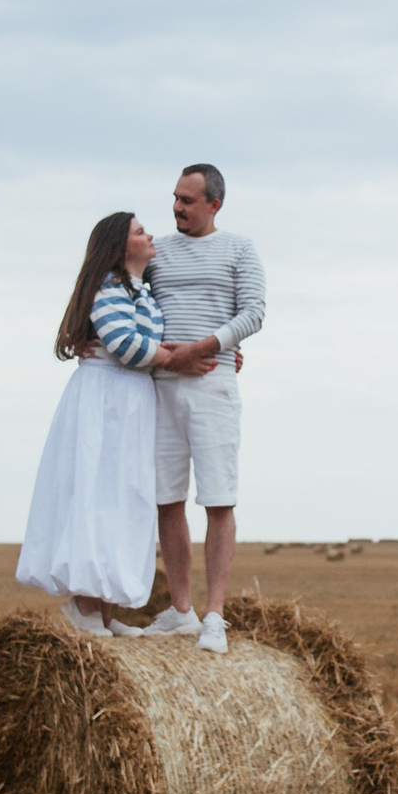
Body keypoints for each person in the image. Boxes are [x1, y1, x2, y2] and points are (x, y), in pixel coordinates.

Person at [17, 210, 220, 640]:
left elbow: (148, 341)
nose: (151, 235)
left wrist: (216, 353)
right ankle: (85, 607)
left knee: (122, 501)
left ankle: (105, 612)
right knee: (98, 496)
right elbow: (127, 346)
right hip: (105, 402)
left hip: (128, 402)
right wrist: (176, 358)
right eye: (140, 231)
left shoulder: (138, 290)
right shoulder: (109, 288)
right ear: (119, 246)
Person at [145, 163, 266, 654]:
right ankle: (180, 610)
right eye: (174, 198)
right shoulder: (155, 252)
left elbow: (253, 312)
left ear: (214, 204)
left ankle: (214, 616)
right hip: (159, 387)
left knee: (218, 498)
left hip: (213, 385)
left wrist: (206, 347)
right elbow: (135, 304)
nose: (177, 208)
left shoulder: (240, 249)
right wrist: (167, 354)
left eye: (187, 201)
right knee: (165, 497)